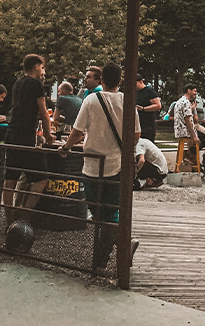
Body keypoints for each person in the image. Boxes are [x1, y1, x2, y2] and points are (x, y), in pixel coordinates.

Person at [60, 62, 140, 271]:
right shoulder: (128, 101)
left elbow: (77, 131)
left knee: (96, 211)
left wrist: (66, 147)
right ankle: (120, 247)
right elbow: (137, 135)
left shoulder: (91, 100)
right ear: (120, 81)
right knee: (111, 212)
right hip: (117, 165)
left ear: (102, 80)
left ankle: (102, 260)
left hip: (92, 165)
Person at [2, 54, 55, 224]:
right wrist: (48, 136)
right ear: (36, 67)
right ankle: (23, 213)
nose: (43, 71)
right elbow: (44, 113)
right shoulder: (36, 84)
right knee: (42, 178)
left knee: (10, 179)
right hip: (26, 136)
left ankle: (8, 217)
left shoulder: (17, 83)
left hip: (12, 133)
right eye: (43, 67)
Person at [135, 74, 161, 142]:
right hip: (137, 123)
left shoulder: (149, 91)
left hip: (147, 124)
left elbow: (158, 105)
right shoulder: (134, 92)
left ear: (141, 82)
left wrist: (144, 109)